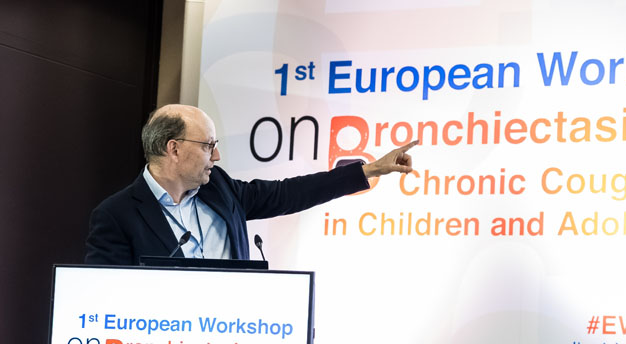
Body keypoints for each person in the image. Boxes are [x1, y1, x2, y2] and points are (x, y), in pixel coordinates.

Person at [84, 104, 416, 265]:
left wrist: (370, 170)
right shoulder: (116, 215)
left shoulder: (220, 188)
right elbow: (103, 297)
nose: (216, 156)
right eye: (208, 145)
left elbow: (288, 194)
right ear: (174, 149)